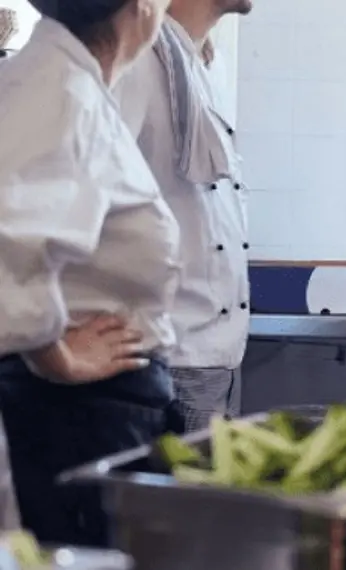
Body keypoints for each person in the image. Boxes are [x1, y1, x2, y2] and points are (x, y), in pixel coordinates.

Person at [0, 0, 180, 547]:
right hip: (72, 412)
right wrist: (57, 356)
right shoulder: (56, 90)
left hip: (97, 409)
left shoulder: (71, 83)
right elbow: (10, 245)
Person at [115, 0, 252, 432]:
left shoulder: (205, 63)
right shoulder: (137, 62)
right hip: (170, 353)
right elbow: (93, 195)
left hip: (218, 355)